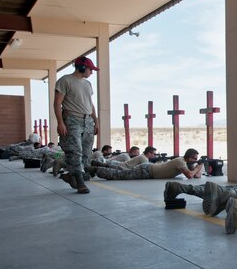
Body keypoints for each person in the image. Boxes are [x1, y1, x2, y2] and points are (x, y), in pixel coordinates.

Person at [54, 56, 99, 194]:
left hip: (88, 121)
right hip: (72, 119)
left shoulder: (87, 84)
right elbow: (57, 103)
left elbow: (90, 104)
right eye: (90, 69)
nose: (92, 72)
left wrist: (95, 121)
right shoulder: (65, 80)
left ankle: (71, 175)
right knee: (75, 151)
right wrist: (60, 122)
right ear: (82, 67)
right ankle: (79, 182)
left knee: (86, 152)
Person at [87, 148, 203, 180]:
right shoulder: (180, 161)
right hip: (147, 170)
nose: (195, 160)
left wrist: (198, 168)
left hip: (148, 171)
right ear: (188, 156)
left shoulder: (185, 162)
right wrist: (198, 167)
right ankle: (95, 169)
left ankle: (96, 166)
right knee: (119, 175)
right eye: (194, 158)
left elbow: (196, 176)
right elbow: (189, 175)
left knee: (120, 171)